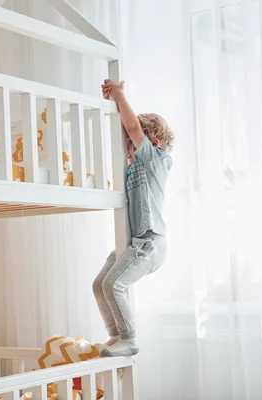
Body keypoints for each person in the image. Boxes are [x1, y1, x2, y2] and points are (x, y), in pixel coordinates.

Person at [94, 80, 174, 357]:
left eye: (133, 145)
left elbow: (132, 127)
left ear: (152, 142)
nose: (130, 150)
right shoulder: (133, 170)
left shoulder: (156, 159)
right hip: (135, 242)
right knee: (99, 284)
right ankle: (116, 334)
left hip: (150, 243)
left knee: (114, 284)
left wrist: (119, 96)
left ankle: (129, 339)